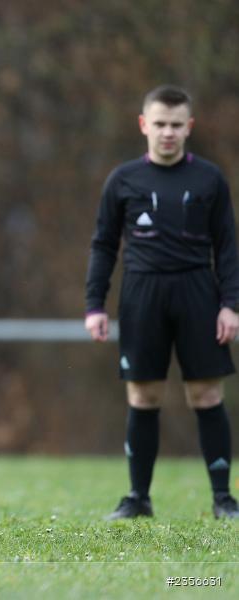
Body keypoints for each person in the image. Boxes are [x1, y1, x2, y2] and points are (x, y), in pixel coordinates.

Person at [86, 84, 239, 520]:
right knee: (144, 395)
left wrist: (231, 303)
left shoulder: (210, 179)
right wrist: (95, 304)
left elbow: (227, 245)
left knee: (206, 393)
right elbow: (103, 245)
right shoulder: (122, 180)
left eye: (175, 125)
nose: (167, 132)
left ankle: (223, 499)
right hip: (142, 294)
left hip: (198, 292)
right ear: (143, 125)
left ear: (189, 127)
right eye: (159, 124)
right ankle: (138, 498)